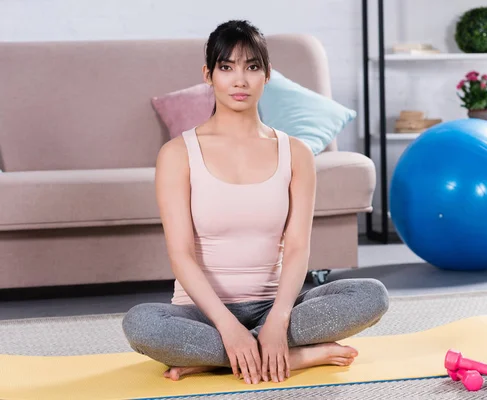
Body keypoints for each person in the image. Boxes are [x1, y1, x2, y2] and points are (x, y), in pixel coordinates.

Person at [122, 19, 389, 385]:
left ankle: (223, 358)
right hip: (200, 314)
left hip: (275, 307)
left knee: (370, 295)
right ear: (208, 75)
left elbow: (296, 247)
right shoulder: (177, 154)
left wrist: (279, 319)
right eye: (226, 68)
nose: (240, 80)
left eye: (252, 67)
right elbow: (180, 254)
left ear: (268, 75)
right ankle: (293, 357)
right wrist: (228, 328)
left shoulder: (296, 153)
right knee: (140, 325)